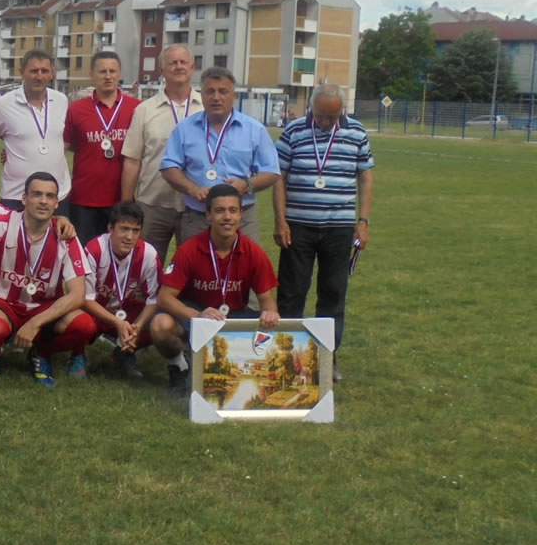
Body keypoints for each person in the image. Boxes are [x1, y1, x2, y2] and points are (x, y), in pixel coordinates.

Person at [273, 83, 374, 380]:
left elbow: (365, 178)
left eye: (332, 117)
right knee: (292, 293)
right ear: (311, 108)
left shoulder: (357, 132)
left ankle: (327, 358)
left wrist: (363, 221)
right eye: (320, 115)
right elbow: (279, 177)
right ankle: (285, 357)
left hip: (339, 227)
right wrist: (280, 220)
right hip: (298, 226)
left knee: (332, 294)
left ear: (341, 111)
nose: (325, 122)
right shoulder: (293, 131)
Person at [0, 172, 94, 388]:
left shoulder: (65, 237)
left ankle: (41, 352)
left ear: (56, 203)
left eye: (50, 196)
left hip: (43, 307)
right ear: (24, 199)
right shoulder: (2, 225)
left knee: (85, 326)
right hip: (4, 304)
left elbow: (78, 295)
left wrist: (35, 323)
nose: (43, 201)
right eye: (37, 194)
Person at [149, 184, 280, 396]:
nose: (227, 217)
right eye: (220, 211)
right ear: (208, 215)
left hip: (235, 314)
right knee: (160, 325)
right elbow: (165, 298)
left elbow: (267, 299)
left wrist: (270, 312)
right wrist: (198, 316)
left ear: (241, 214)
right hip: (196, 313)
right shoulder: (189, 250)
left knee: (269, 333)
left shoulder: (253, 252)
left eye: (233, 210)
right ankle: (179, 365)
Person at [160, 66, 279, 243]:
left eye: (223, 91)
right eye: (210, 91)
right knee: (195, 269)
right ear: (202, 95)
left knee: (244, 268)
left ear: (234, 96)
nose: (216, 97)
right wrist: (193, 189)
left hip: (242, 217)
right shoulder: (185, 128)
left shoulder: (254, 130)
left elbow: (272, 171)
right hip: (198, 217)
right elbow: (169, 166)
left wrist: (246, 185)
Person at [119, 45, 204, 261]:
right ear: (162, 70)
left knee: (194, 269)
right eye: (172, 63)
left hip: (196, 205)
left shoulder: (206, 108)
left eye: (183, 62)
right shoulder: (145, 110)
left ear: (192, 67)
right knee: (143, 269)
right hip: (153, 205)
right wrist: (128, 203)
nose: (178, 67)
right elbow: (132, 160)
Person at [64, 50, 140, 243]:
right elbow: (66, 145)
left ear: (120, 73)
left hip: (120, 200)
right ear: (92, 74)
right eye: (102, 71)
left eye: (113, 71)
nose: (108, 76)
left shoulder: (136, 108)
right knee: (84, 255)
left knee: (118, 256)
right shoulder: (76, 109)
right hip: (83, 200)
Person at [81, 201, 161, 379]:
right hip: (96, 310)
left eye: (135, 231)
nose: (129, 237)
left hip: (126, 311)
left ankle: (124, 354)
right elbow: (84, 299)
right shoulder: (94, 250)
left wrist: (138, 327)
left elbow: (154, 298)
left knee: (160, 322)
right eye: (124, 229)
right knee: (80, 323)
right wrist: (117, 323)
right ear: (110, 228)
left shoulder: (148, 253)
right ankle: (78, 355)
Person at [0, 50, 70, 213]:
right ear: (22, 72)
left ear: (52, 73)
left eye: (44, 71)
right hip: (17, 195)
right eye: (33, 71)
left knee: (55, 238)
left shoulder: (61, 101)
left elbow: (63, 139)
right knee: (14, 239)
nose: (39, 76)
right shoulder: (4, 104)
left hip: (57, 194)